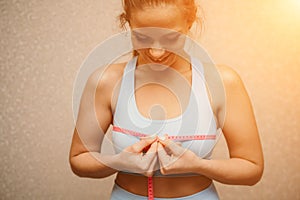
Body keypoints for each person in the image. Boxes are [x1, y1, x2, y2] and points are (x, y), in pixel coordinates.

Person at [69, 0, 264, 199]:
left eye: (171, 37)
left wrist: (199, 165)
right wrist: (119, 162)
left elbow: (251, 168)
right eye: (142, 36)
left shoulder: (221, 82)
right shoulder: (106, 82)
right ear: (128, 24)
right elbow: (79, 160)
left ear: (189, 23)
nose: (156, 52)